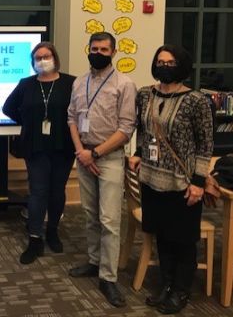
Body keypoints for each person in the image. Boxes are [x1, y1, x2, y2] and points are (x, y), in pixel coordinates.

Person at [128, 45, 213, 315]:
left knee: (183, 239)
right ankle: (166, 285)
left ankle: (181, 290)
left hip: (183, 181)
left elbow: (205, 144)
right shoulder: (145, 94)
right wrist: (140, 153)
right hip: (152, 179)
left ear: (183, 66)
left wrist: (199, 182)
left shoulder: (196, 101)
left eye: (171, 62)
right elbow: (143, 130)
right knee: (162, 236)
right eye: (160, 62)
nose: (164, 66)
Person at [67, 32, 137, 308]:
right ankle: (95, 262)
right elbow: (72, 118)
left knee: (109, 220)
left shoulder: (124, 84)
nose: (98, 52)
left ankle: (108, 277)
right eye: (94, 48)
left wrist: (95, 153)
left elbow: (126, 128)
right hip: (83, 154)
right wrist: (82, 153)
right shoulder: (79, 82)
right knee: (89, 214)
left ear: (114, 52)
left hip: (108, 158)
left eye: (104, 49)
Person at [2, 41, 76, 263]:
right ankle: (35, 238)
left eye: (47, 56)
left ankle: (52, 230)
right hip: (35, 146)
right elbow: (8, 107)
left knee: (57, 190)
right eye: (38, 58)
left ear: (55, 58)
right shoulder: (26, 84)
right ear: (33, 63)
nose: (43, 61)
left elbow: (79, 111)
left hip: (63, 145)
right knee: (38, 191)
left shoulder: (71, 83)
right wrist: (29, 122)